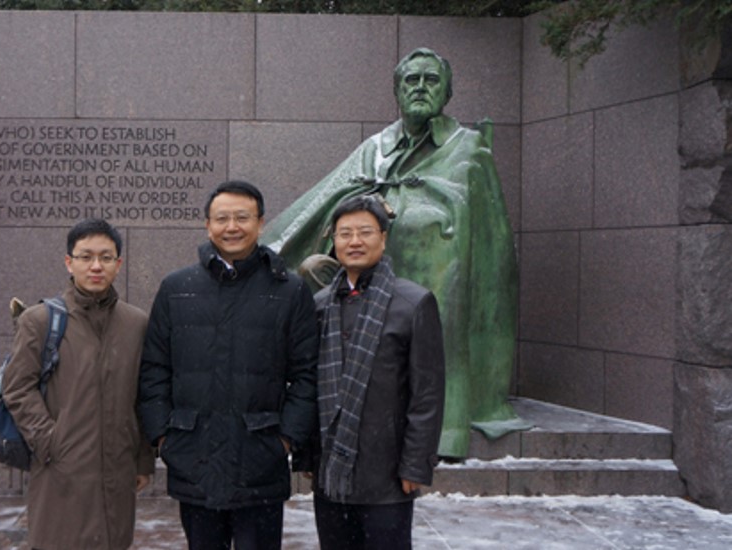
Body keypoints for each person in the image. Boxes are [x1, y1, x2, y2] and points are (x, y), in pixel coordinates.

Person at [261, 47, 528, 459]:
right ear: (397, 92)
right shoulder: (376, 148)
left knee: (436, 251)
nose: (420, 87)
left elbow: (485, 232)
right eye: (411, 80)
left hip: (435, 280)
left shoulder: (468, 147)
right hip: (362, 282)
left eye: (431, 80)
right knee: (312, 270)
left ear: (447, 92)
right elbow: (335, 196)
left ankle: (442, 422)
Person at [137, 180, 318, 550]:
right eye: (222, 218)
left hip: (260, 458)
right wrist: (163, 436)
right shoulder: (177, 288)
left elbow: (306, 374)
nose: (231, 227)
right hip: (194, 457)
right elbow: (154, 368)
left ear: (260, 223)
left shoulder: (289, 290)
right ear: (208, 225)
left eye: (242, 217)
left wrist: (286, 439)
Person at [301, 195, 445, 550]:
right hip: (331, 472)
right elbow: (308, 384)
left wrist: (416, 464)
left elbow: (427, 393)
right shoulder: (319, 305)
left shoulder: (413, 303)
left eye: (365, 232)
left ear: (383, 237)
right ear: (334, 241)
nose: (355, 241)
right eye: (345, 233)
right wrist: (308, 455)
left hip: (387, 473)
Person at [2, 219, 153, 550]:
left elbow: (143, 396)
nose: (96, 266)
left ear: (118, 264)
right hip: (61, 469)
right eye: (86, 257)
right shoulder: (39, 321)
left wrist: (143, 459)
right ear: (69, 262)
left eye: (106, 257)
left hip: (118, 469)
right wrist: (50, 441)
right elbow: (17, 387)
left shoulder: (136, 323)